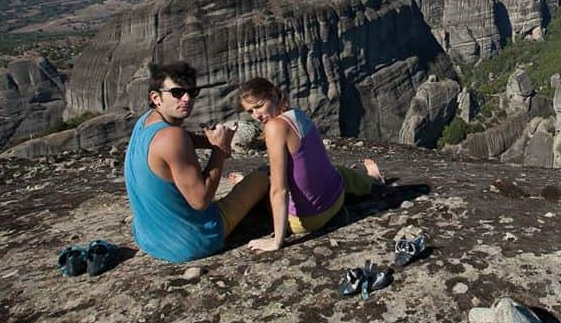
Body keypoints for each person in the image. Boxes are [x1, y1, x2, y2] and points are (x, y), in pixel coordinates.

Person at [124, 61, 270, 263]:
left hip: (150, 239)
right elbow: (200, 201)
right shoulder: (172, 137)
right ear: (156, 97)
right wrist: (219, 149)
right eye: (177, 93)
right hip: (192, 241)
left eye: (192, 92)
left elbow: (178, 138)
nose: (186, 99)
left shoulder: (146, 122)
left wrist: (208, 141)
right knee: (266, 173)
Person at [236, 77, 383, 253]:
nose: (257, 115)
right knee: (339, 172)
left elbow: (279, 190)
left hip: (308, 219)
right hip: (335, 198)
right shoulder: (297, 114)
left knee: (264, 183)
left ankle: (245, 186)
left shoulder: (274, 127)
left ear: (274, 94)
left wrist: (277, 241)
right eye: (250, 111)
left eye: (259, 106)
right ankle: (372, 181)